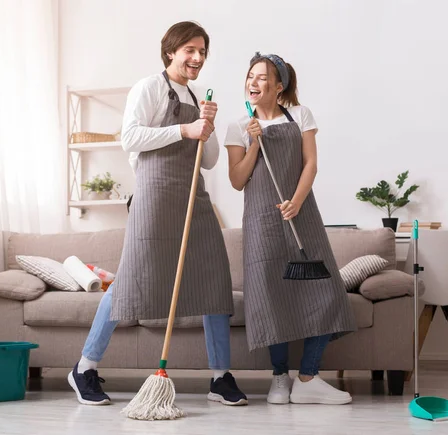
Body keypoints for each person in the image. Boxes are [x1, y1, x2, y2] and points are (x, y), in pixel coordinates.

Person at [67, 21, 247, 407]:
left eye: (202, 52)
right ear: (171, 51)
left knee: (214, 279)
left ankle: (220, 377)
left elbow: (211, 160)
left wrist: (208, 127)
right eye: (190, 51)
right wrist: (186, 129)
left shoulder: (197, 97)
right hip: (154, 194)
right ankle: (84, 368)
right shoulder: (148, 87)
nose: (197, 58)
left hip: (193, 197)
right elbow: (130, 137)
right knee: (131, 279)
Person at [224, 52, 357, 405]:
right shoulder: (238, 125)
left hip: (302, 215)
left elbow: (311, 163)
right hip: (261, 223)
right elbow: (237, 180)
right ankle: (279, 378)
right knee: (272, 296)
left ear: (279, 85)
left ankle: (308, 377)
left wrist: (297, 201)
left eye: (262, 77)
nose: (253, 82)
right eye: (250, 76)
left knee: (328, 292)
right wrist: (253, 143)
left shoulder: (300, 114)